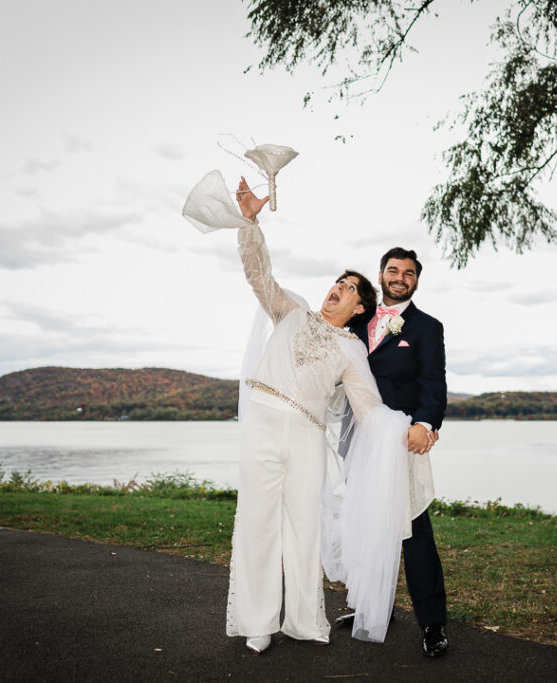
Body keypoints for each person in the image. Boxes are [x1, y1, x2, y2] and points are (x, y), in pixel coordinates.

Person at [188, 176, 413, 655]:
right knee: (258, 522)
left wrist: (404, 428)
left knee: (302, 527)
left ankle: (303, 619)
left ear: (359, 308)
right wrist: (249, 223)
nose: (339, 288)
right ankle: (257, 620)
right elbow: (258, 274)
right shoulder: (292, 311)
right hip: (264, 426)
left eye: (350, 288)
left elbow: (368, 409)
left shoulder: (352, 349)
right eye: (339, 281)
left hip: (308, 436)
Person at [338, 246, 450, 657]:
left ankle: (433, 623)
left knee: (414, 531)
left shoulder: (425, 327)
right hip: (358, 439)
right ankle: (373, 609)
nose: (400, 277)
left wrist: (426, 423)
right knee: (366, 523)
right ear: (381, 274)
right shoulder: (359, 319)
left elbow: (432, 382)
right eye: (393, 270)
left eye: (408, 272)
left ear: (416, 280)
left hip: (401, 440)